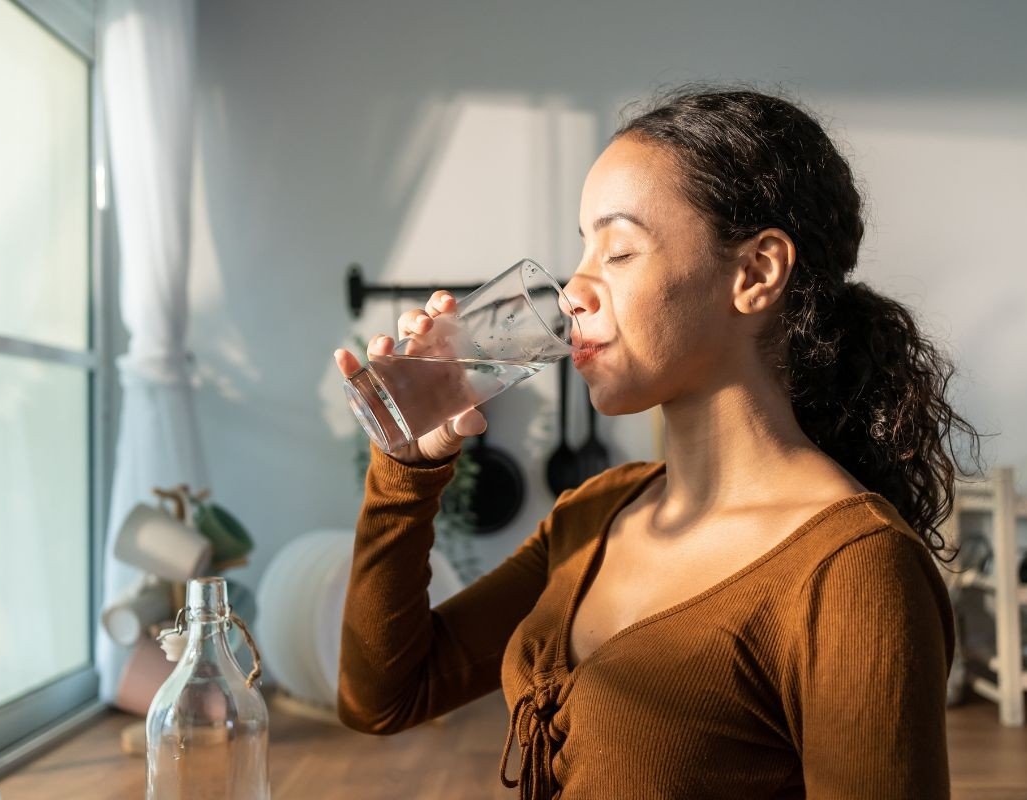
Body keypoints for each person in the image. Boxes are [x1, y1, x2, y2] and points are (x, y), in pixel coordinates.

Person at [330, 85, 981, 800]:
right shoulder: (595, 515)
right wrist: (405, 470)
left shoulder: (854, 572)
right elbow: (382, 697)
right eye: (583, 246)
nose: (572, 290)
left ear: (756, 272)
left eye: (620, 250)